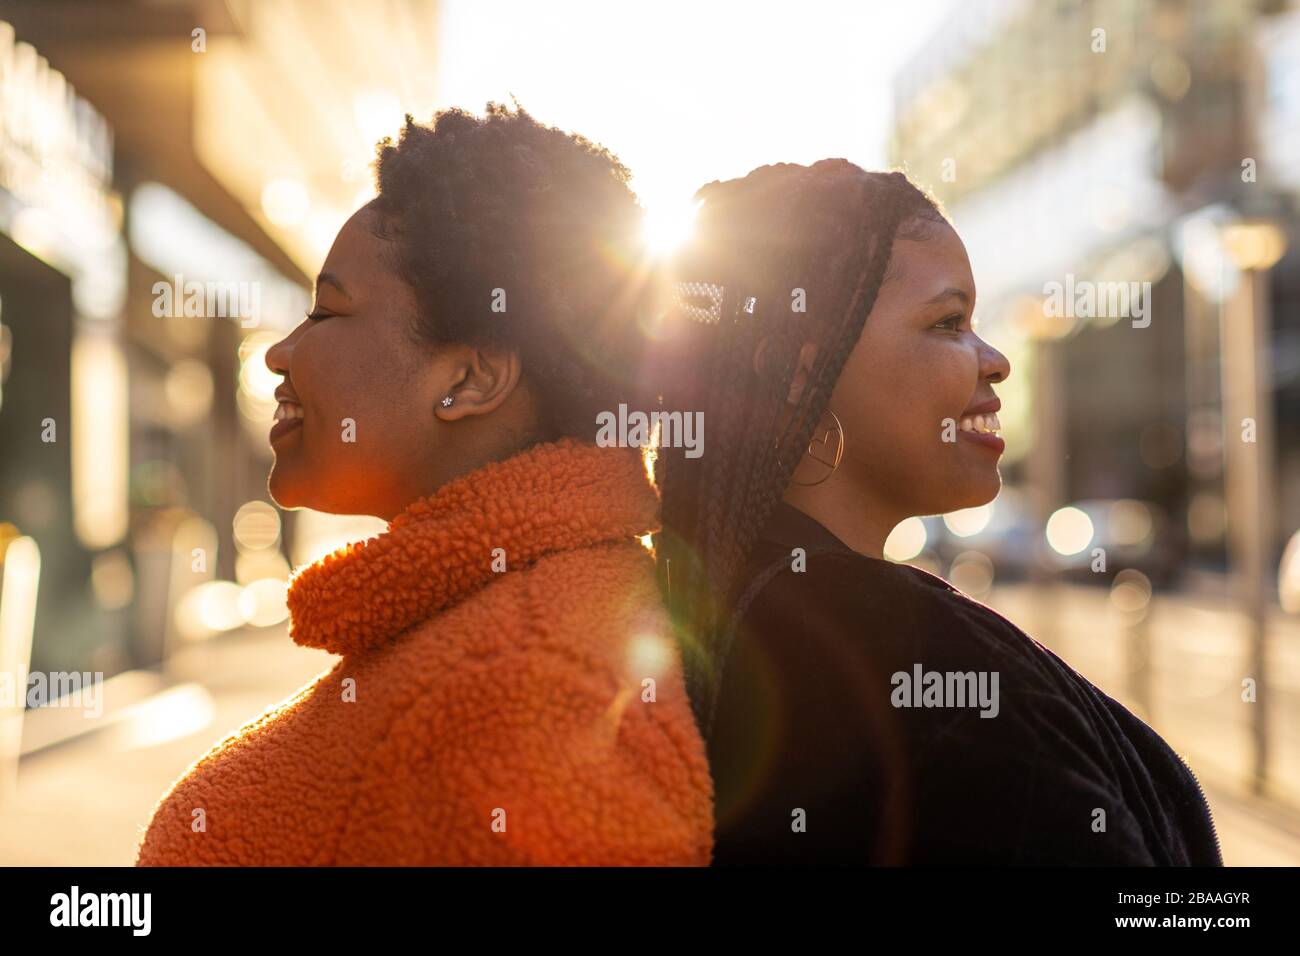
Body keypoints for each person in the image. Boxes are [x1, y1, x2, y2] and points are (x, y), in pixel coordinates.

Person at [135, 103, 713, 866]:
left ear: (470, 378)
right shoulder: (506, 635)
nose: (280, 354)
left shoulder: (534, 688)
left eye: (326, 311)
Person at [646, 160, 1222, 865]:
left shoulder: (711, 610)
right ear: (800, 369)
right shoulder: (922, 669)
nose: (997, 360)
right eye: (949, 321)